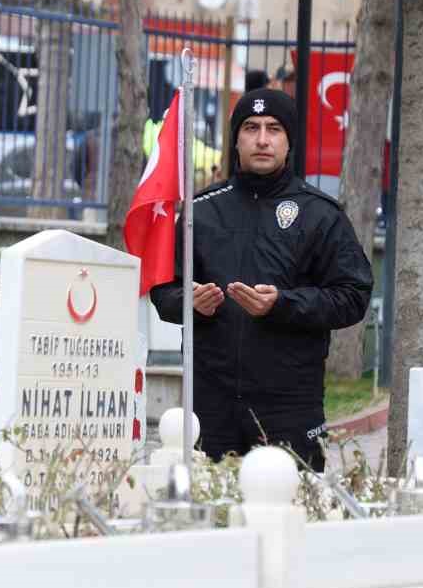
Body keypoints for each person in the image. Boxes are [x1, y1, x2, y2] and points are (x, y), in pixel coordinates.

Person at [150, 88, 373, 471]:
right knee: (209, 503)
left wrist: (283, 304)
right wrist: (190, 302)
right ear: (236, 139)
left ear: (289, 141)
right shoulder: (201, 212)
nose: (263, 139)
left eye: (274, 129)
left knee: (289, 502)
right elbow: (162, 290)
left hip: (290, 404)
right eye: (251, 128)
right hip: (210, 403)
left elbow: (353, 295)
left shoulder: (320, 214)